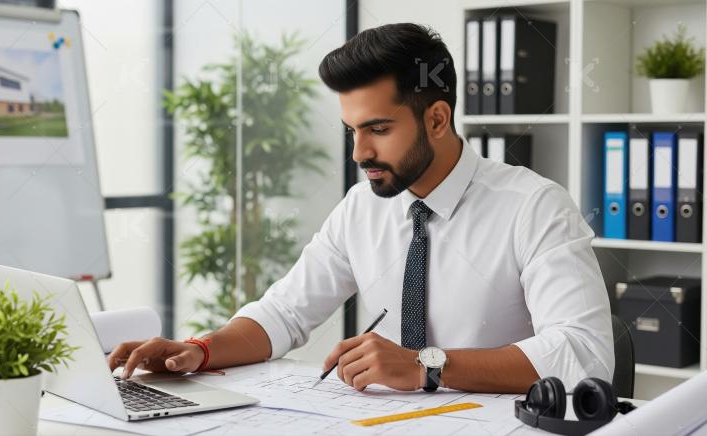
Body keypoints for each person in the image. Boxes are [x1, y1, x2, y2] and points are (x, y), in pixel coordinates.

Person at [108, 23, 614, 394]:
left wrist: (426, 366)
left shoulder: (535, 206)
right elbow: (285, 313)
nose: (359, 154)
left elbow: (584, 354)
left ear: (437, 119)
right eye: (352, 131)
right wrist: (199, 350)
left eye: (378, 129)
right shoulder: (361, 208)